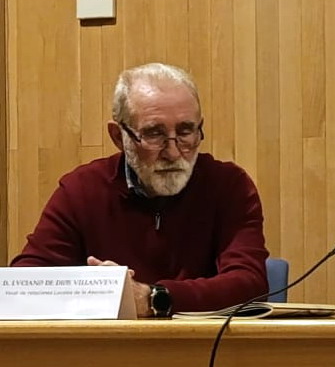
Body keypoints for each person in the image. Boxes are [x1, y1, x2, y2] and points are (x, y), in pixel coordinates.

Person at [10, 62, 268, 317]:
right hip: (108, 344)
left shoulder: (228, 185)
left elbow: (250, 284)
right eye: (154, 134)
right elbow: (24, 284)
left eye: (185, 132)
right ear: (118, 136)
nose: (173, 152)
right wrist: (95, 289)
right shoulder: (81, 190)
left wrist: (154, 297)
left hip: (205, 342)